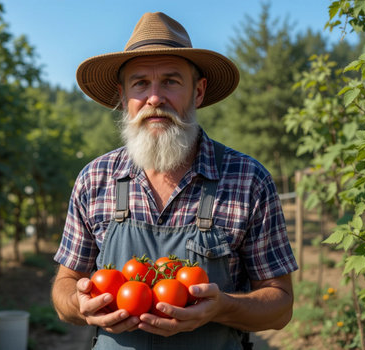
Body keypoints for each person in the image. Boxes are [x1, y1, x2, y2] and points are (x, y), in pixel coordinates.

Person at [51, 12, 298, 350]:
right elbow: (66, 284)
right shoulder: (95, 179)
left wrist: (223, 307)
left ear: (197, 92)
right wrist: (79, 304)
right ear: (123, 98)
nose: (155, 98)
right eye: (140, 83)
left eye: (170, 81)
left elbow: (280, 306)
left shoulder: (248, 180)